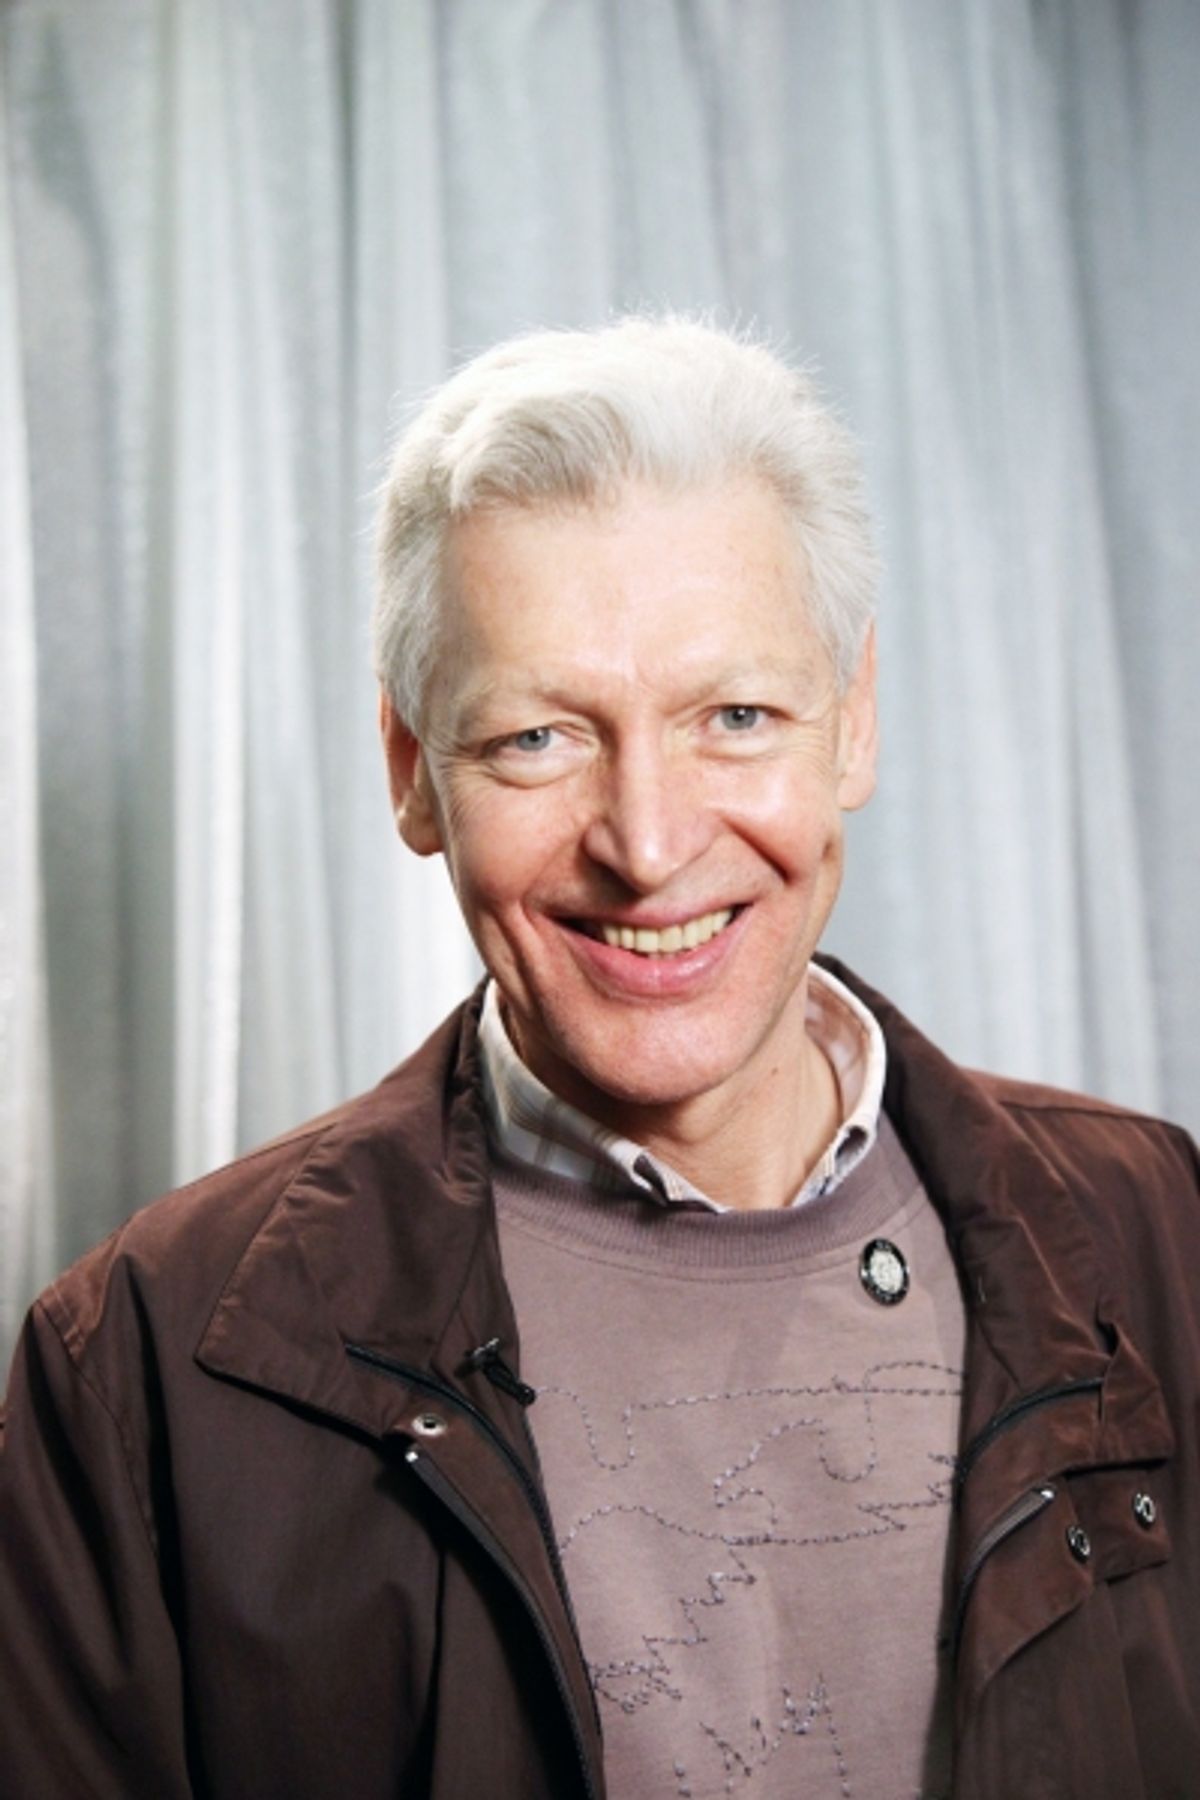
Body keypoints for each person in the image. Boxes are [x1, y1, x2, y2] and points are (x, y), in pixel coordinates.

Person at [2, 318, 1198, 1800]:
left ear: (855, 722)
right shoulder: (142, 1360)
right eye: (537, 740)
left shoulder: (1160, 1227)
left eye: (737, 717)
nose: (648, 843)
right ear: (410, 771)